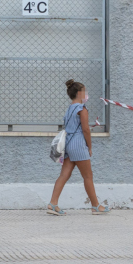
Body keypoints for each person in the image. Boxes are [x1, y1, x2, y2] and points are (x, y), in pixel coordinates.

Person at [46, 80, 108, 216]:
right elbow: (86, 130)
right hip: (79, 145)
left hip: (68, 145)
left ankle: (52, 204)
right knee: (88, 176)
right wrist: (89, 147)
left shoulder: (69, 109)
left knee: (63, 175)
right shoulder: (82, 109)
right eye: (85, 91)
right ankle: (95, 206)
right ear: (79, 93)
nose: (86, 94)